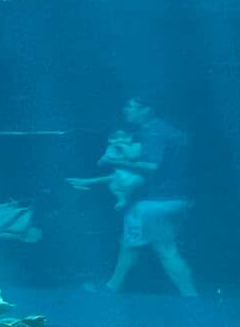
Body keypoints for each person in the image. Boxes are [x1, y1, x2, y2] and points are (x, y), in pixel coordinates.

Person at [85, 95, 198, 298]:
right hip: (176, 198)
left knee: (165, 250)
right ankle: (112, 287)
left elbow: (152, 167)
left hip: (156, 202)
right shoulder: (169, 130)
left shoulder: (154, 132)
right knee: (129, 244)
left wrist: (117, 161)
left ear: (146, 109)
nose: (126, 111)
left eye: (131, 107)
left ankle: (191, 297)